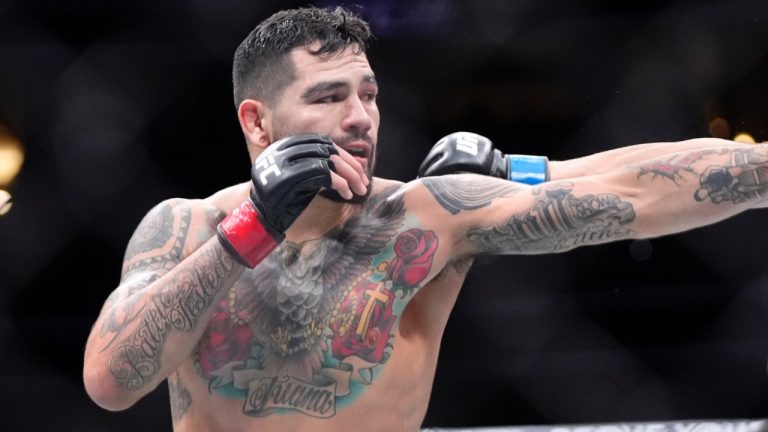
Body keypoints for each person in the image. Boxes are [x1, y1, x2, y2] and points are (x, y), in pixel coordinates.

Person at [82, 6, 768, 432]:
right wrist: (252, 228)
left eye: (369, 94)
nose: (359, 118)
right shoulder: (185, 226)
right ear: (257, 123)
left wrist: (522, 169)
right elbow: (112, 382)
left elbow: (629, 193)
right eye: (328, 97)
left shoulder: (423, 215)